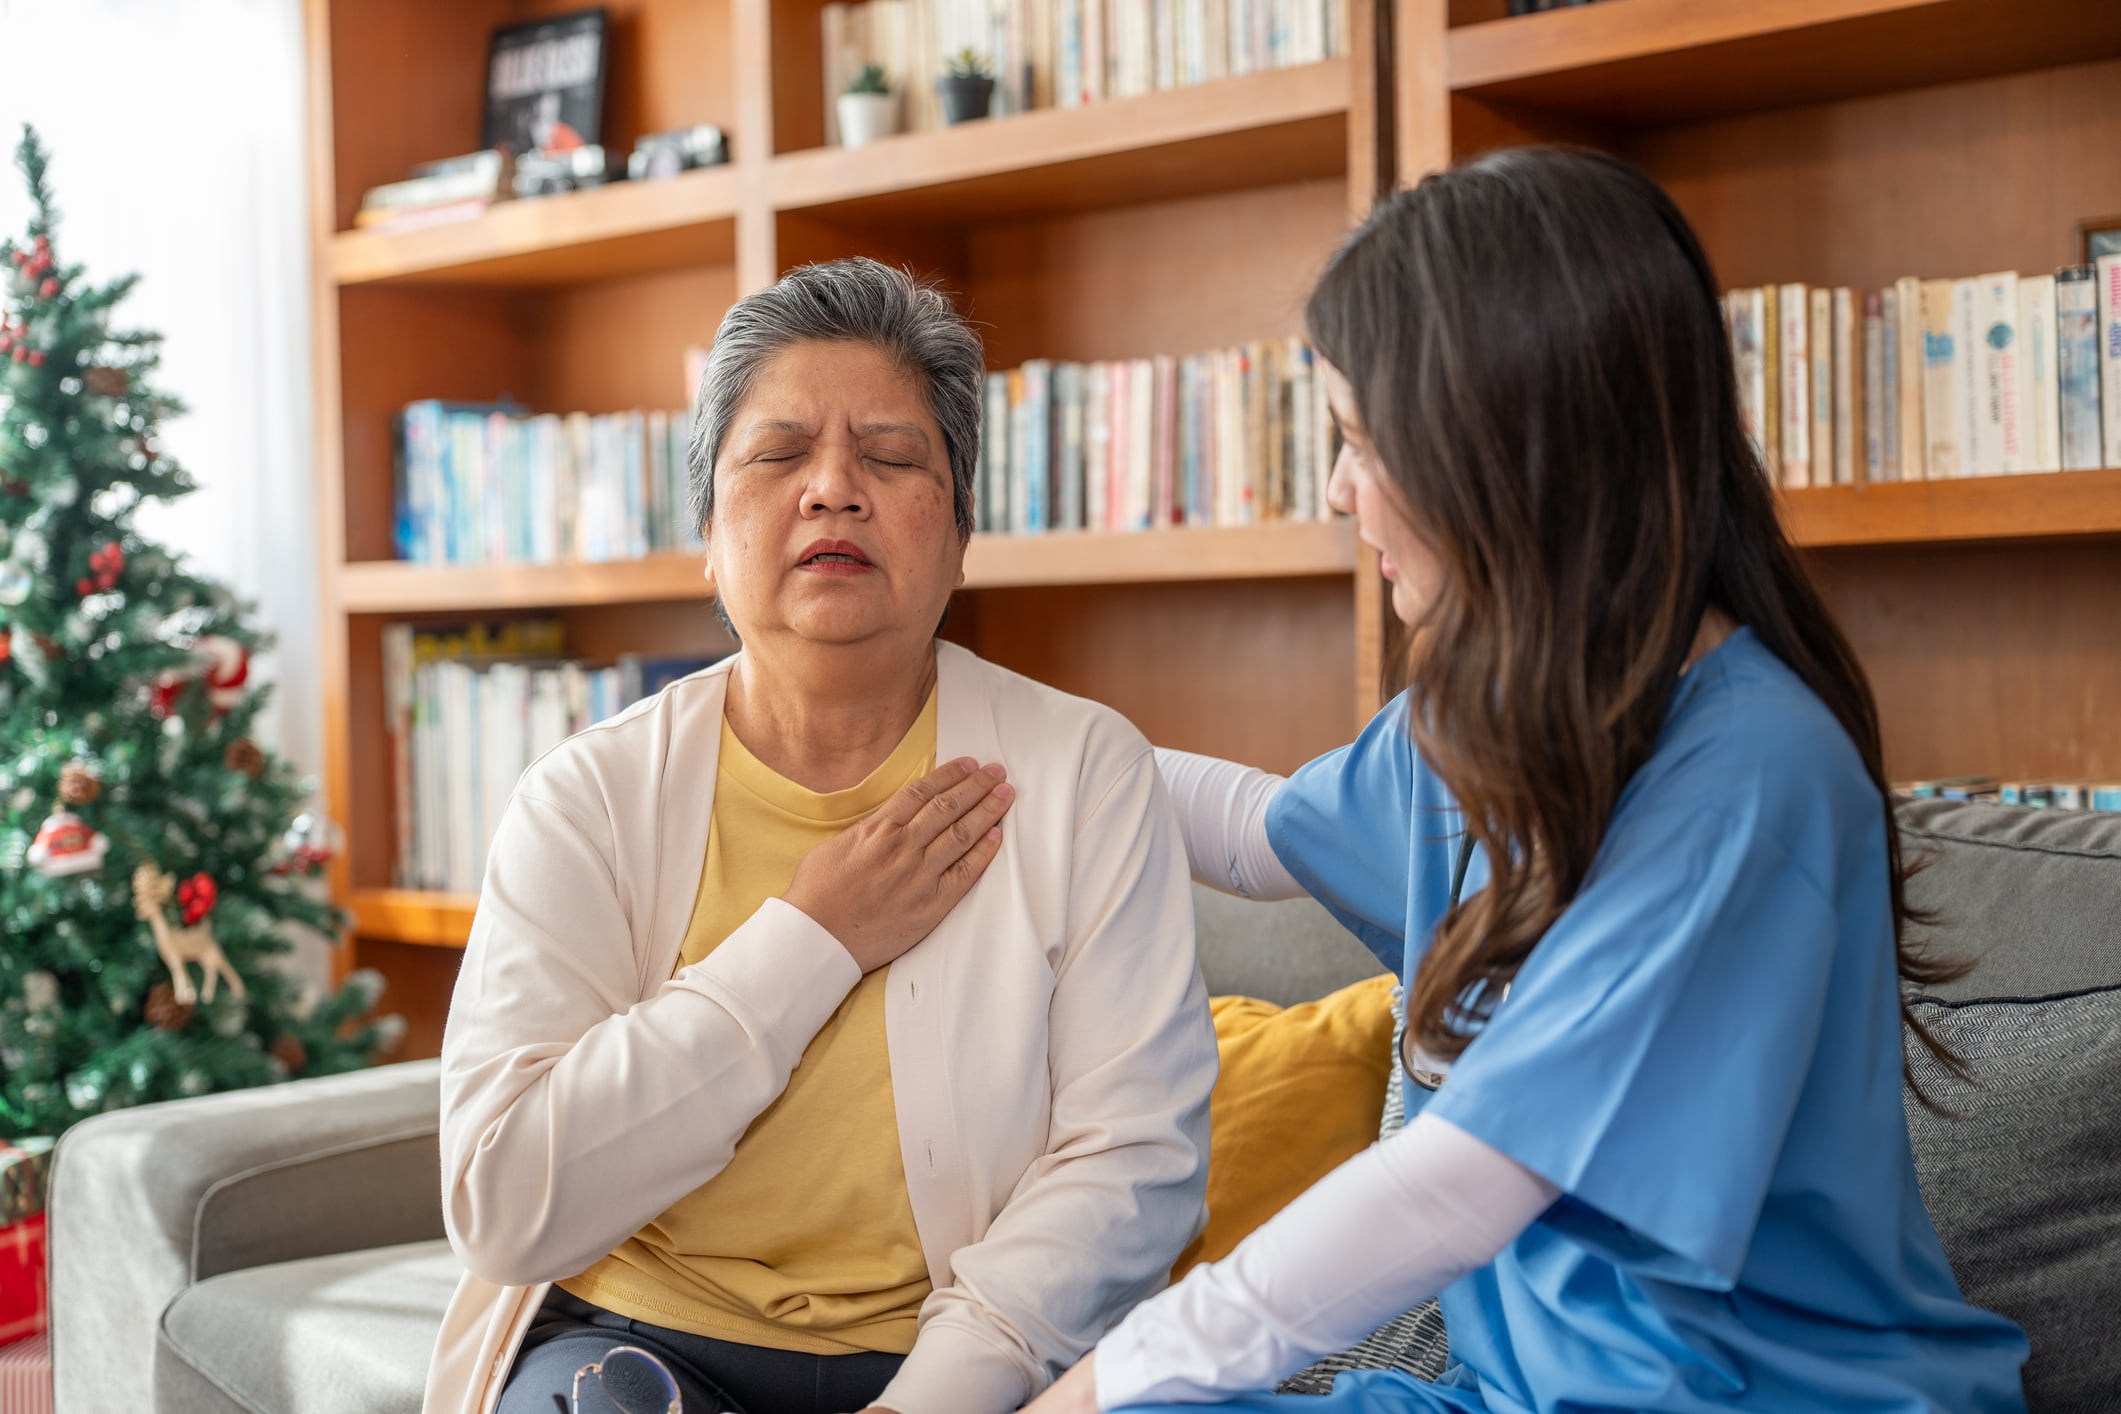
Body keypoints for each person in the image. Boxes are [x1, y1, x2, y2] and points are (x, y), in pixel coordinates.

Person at [1026, 148, 2029, 1413]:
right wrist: (993, 744)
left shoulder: (1753, 776)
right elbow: (1254, 835)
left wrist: (1118, 1369)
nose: (1339, 490)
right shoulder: (1479, 725)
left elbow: (1461, 1182)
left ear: (1506, 448)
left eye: (1357, 441)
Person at [424, 258, 1218, 1414]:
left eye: (893, 458)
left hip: (973, 1365)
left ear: (959, 535)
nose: (834, 488)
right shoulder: (584, 798)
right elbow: (503, 1199)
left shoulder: (1084, 771)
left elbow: (1135, 1158)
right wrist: (812, 937)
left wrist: (926, 1401)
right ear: (708, 528)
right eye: (780, 453)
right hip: (641, 1352)